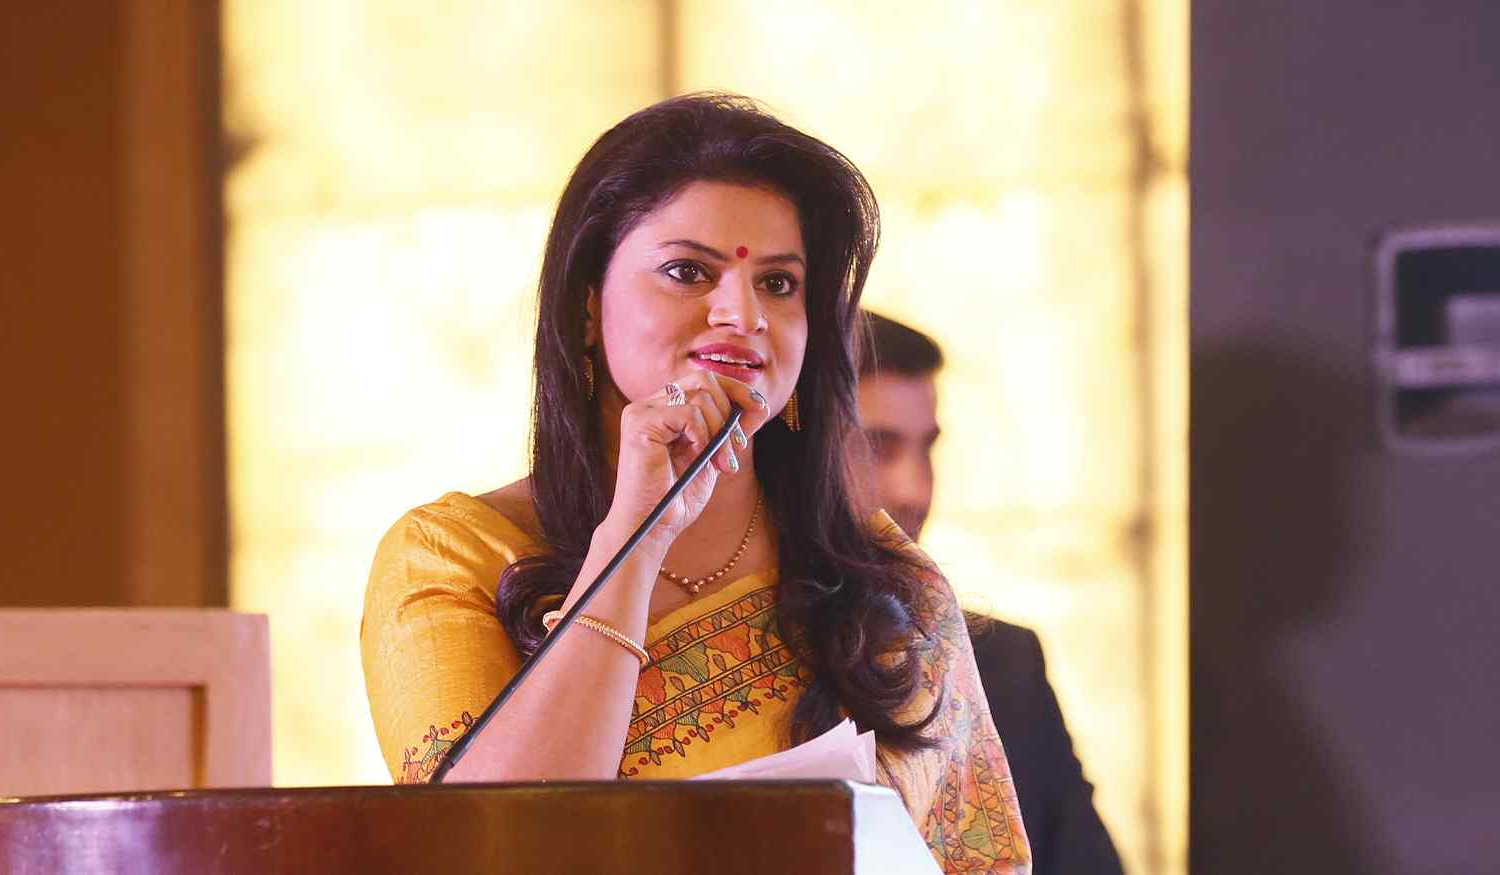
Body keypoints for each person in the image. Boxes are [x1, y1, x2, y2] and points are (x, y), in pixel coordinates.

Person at [359, 93, 1030, 873]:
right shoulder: (452, 557)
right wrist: (636, 535)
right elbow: (487, 850)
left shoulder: (887, 589)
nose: (741, 312)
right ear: (586, 306)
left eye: (778, 283)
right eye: (688, 272)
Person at [854, 311, 1124, 875]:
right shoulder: (733, 657)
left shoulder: (1004, 662)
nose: (914, 490)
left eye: (927, 449)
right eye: (879, 448)